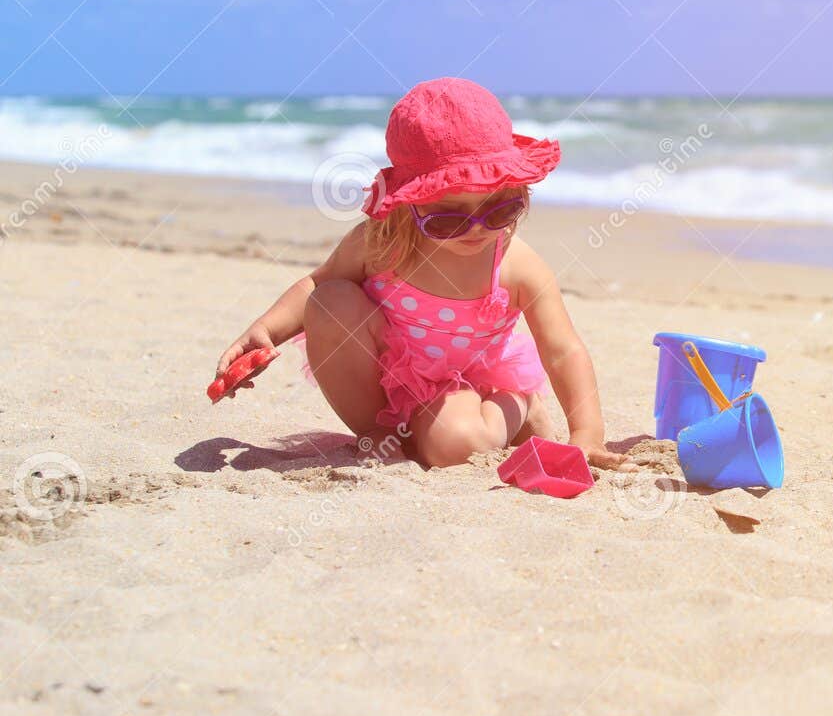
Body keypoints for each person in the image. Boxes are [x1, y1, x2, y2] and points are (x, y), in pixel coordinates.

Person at [216, 78, 629, 469]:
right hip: (391, 381)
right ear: (406, 206)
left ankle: (519, 404)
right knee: (329, 300)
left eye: (500, 210)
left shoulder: (516, 267)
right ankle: (379, 431)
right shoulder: (379, 244)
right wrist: (266, 332)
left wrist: (587, 434)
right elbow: (315, 285)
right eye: (447, 219)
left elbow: (562, 350)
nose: (477, 229)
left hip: (471, 386)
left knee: (453, 446)